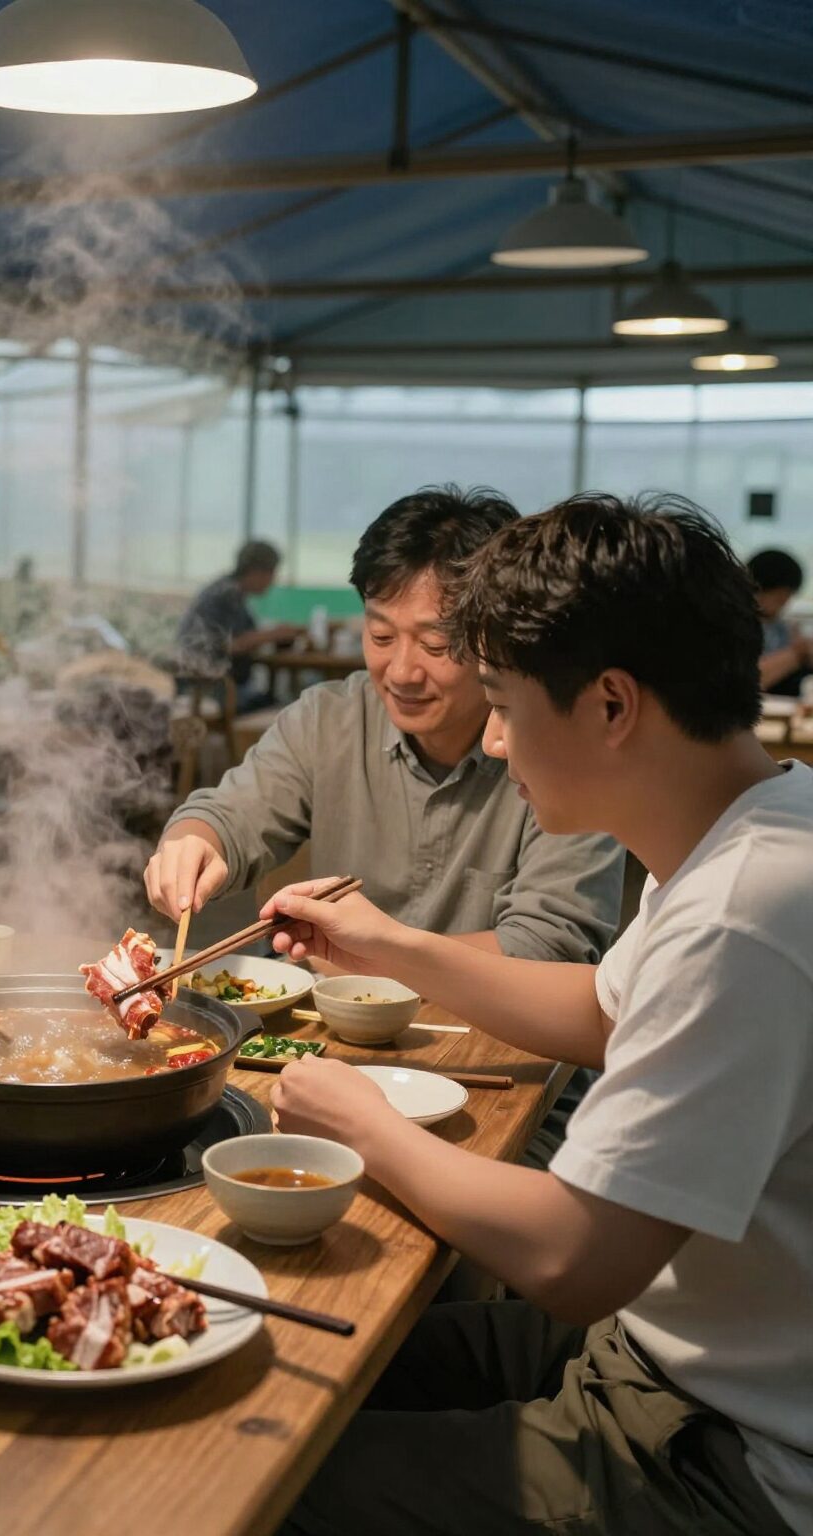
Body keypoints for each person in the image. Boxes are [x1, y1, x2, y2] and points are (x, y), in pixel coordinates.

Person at [268, 493, 809, 1536]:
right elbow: (603, 1012)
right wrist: (390, 945)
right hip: (658, 1349)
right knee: (295, 1354)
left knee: (260, 1487)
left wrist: (363, 1126)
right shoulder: (746, 831)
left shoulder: (746, 915)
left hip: (726, 1452)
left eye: (509, 706)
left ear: (612, 705)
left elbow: (574, 1258)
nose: (501, 744)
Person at [148, 486, 623, 965]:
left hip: (485, 1034)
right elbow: (230, 817)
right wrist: (193, 843)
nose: (400, 672)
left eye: (435, 645)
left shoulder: (561, 746)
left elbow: (554, 946)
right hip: (324, 1024)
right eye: (379, 635)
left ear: (498, 636)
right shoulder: (329, 721)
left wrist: (378, 953)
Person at [175, 539, 301, 707]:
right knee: (285, 708)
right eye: (271, 573)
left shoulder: (233, 592)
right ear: (256, 572)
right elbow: (228, 645)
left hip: (222, 684)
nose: (272, 580)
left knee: (282, 703)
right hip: (208, 688)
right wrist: (274, 634)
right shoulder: (225, 595)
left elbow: (244, 635)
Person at [748, 547, 810, 697]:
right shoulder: (735, 625)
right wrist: (797, 653)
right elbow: (744, 682)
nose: (784, 602)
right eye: (779, 596)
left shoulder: (781, 628)